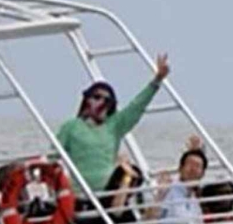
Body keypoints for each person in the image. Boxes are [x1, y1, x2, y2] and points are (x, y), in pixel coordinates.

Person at [56, 53, 170, 195]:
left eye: (107, 100)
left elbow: (136, 107)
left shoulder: (114, 125)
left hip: (109, 193)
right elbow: (52, 157)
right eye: (97, 97)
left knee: (132, 172)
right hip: (81, 195)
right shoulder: (71, 127)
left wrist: (157, 80)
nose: (101, 103)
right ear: (87, 100)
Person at [149, 138, 208, 224]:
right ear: (180, 168)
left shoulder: (194, 200)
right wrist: (160, 195)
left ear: (202, 174)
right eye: (190, 164)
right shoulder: (168, 190)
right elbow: (149, 222)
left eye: (197, 166)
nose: (193, 169)